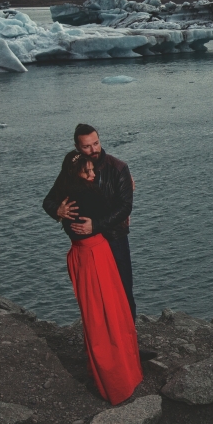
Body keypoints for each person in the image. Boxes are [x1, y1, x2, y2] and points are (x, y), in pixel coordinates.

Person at [48, 151, 142, 404]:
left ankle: (110, 373)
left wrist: (57, 210)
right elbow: (119, 207)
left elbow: (50, 202)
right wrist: (128, 187)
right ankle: (118, 379)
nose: (92, 175)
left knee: (97, 317)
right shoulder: (85, 195)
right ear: (75, 174)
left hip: (84, 255)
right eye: (87, 171)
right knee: (108, 315)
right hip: (95, 257)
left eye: (93, 170)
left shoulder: (67, 192)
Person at [43, 124, 136, 320]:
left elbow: (125, 207)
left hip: (115, 238)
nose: (93, 150)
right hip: (87, 246)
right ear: (77, 147)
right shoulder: (73, 169)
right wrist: (58, 210)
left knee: (122, 290)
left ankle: (129, 337)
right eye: (86, 146)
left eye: (96, 143)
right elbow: (49, 200)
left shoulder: (118, 168)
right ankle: (103, 334)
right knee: (94, 296)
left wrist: (96, 225)